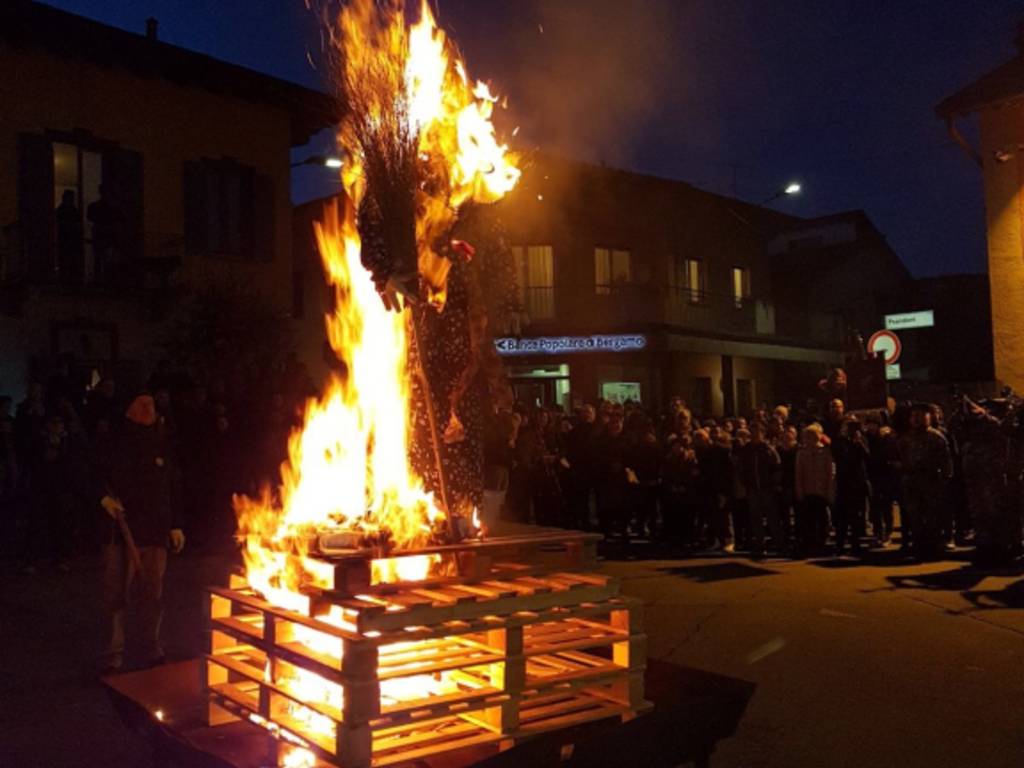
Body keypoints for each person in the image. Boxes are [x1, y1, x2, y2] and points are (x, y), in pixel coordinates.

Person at [99, 393, 185, 673]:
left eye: (151, 404)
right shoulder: (114, 440)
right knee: (116, 597)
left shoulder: (161, 441)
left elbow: (171, 485)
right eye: (141, 404)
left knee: (152, 594)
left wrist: (175, 524)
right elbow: (94, 472)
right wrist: (104, 499)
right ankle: (114, 654)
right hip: (122, 534)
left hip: (155, 532)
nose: (149, 409)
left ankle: (152, 646)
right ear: (128, 409)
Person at [898, 403, 953, 559]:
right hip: (912, 481)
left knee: (932, 516)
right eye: (914, 416)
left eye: (921, 416)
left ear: (928, 417)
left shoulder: (936, 437)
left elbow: (946, 460)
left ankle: (933, 547)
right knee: (914, 516)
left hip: (931, 481)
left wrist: (945, 478)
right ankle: (919, 546)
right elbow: (899, 458)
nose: (916, 419)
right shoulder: (905, 439)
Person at [737, 420, 783, 557]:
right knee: (755, 518)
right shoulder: (746, 450)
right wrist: (746, 483)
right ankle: (760, 544)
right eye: (752, 432)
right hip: (753, 488)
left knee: (772, 517)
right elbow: (741, 469)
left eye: (757, 432)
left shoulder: (768, 449)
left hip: (766, 488)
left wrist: (774, 483)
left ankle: (779, 543)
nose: (755, 435)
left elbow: (777, 467)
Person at [832, 416, 871, 555]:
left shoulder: (861, 440)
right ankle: (840, 544)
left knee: (857, 516)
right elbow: (841, 459)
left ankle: (856, 543)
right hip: (844, 482)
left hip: (858, 482)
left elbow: (867, 456)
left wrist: (858, 442)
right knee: (842, 517)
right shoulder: (839, 441)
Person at [795, 423, 834, 556]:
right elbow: (799, 474)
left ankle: (822, 542)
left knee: (822, 519)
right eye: (808, 436)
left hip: (821, 491)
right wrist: (800, 490)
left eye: (813, 435)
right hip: (808, 491)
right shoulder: (802, 453)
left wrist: (830, 490)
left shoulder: (825, 452)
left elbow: (831, 473)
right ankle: (810, 544)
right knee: (809, 520)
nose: (810, 438)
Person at [865, 420, 900, 546]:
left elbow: (891, 454)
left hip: (885, 475)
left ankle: (887, 533)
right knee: (875, 507)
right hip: (872, 476)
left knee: (886, 505)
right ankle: (878, 532)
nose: (870, 427)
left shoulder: (886, 437)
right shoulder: (867, 439)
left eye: (872, 424)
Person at [55, 189, 83, 282]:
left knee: (69, 258)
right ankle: (67, 278)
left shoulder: (69, 210)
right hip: (66, 238)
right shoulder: (65, 210)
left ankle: (69, 278)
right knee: (66, 258)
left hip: (69, 238)